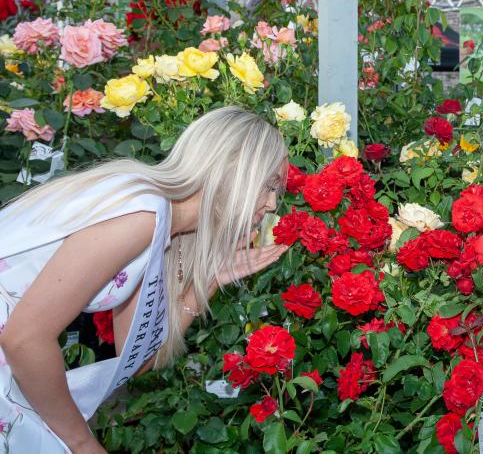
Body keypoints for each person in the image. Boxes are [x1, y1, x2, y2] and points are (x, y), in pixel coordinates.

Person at [0, 106, 290, 453]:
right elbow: (24, 339)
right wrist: (81, 442)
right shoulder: (142, 213)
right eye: (269, 186)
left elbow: (139, 359)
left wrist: (210, 280)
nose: (272, 204)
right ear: (233, 168)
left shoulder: (162, 224)